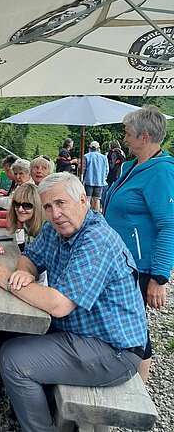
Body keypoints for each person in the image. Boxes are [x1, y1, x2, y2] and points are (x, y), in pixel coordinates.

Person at [0, 172, 147, 432]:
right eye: (48, 207)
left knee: (13, 359)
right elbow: (29, 257)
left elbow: (59, 305)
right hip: (81, 333)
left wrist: (9, 281)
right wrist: (24, 274)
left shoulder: (97, 240)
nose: (55, 213)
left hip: (114, 351)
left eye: (61, 203)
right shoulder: (55, 230)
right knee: (6, 335)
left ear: (83, 200)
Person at [104, 105, 174, 383]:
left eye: (128, 133)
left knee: (135, 328)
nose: (124, 138)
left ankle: (139, 391)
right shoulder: (132, 166)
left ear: (144, 137)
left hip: (139, 266)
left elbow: (169, 225)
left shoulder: (161, 173)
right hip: (118, 261)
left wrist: (159, 277)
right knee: (118, 320)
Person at [83, 140, 108, 212]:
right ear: (98, 148)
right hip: (100, 181)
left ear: (90, 148)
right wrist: (104, 178)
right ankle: (96, 215)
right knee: (97, 199)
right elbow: (107, 169)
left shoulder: (86, 156)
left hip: (89, 180)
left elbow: (84, 169)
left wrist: (82, 179)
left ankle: (87, 213)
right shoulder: (103, 157)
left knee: (88, 198)